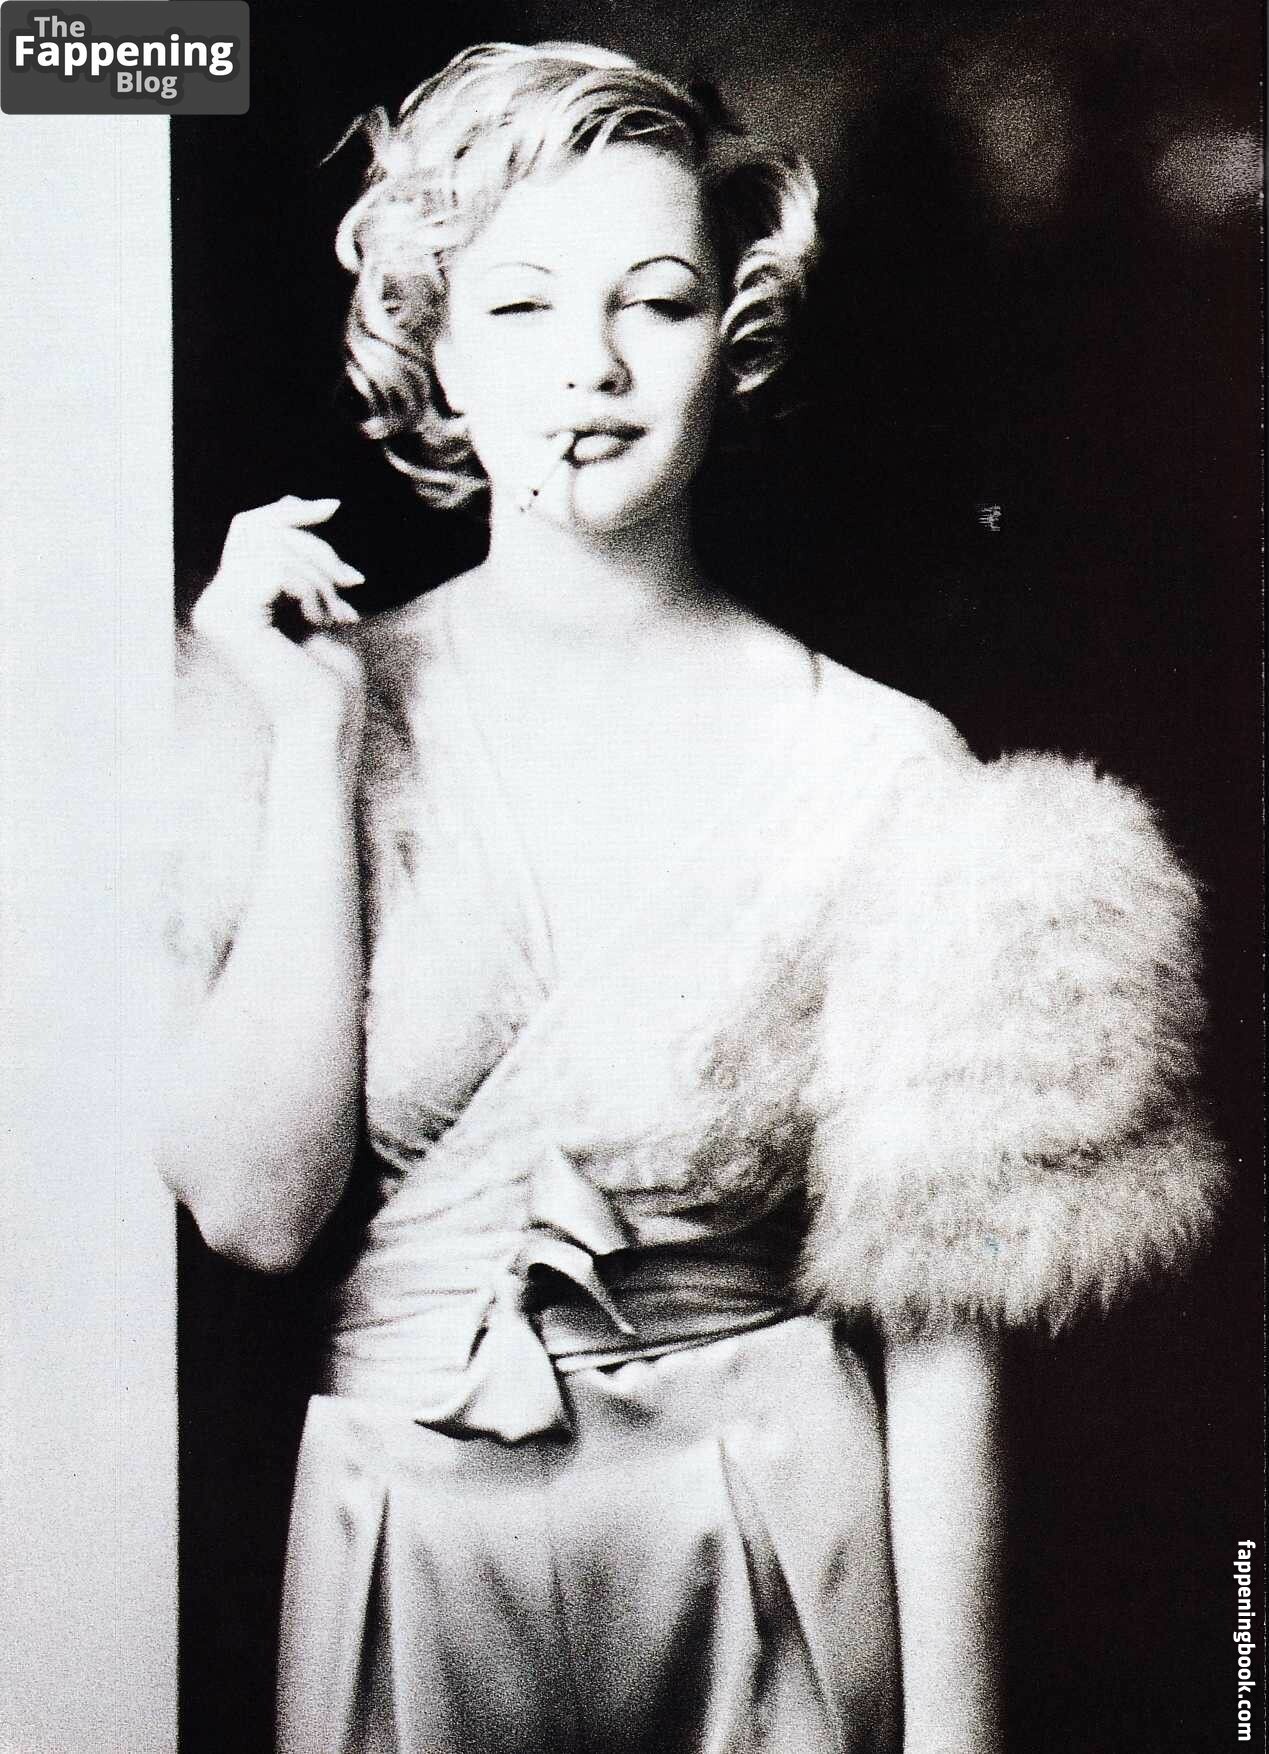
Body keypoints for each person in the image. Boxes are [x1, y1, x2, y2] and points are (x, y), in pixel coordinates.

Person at [161, 41, 1226, 1754]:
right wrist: (308, 743)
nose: (587, 365)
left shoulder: (885, 768)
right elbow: (254, 1212)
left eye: (650, 302)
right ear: (434, 346)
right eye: (518, 307)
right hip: (404, 1554)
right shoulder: (308, 714)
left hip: (763, 1558)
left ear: (732, 338)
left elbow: (943, 1343)